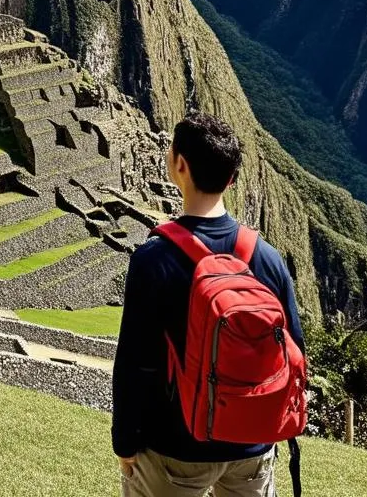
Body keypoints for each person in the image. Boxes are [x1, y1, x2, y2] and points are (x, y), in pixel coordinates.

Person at [112, 112, 304, 497]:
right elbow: (293, 350)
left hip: (175, 447)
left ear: (178, 165)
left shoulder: (155, 260)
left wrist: (125, 443)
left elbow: (137, 362)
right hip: (252, 445)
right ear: (232, 179)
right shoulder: (266, 258)